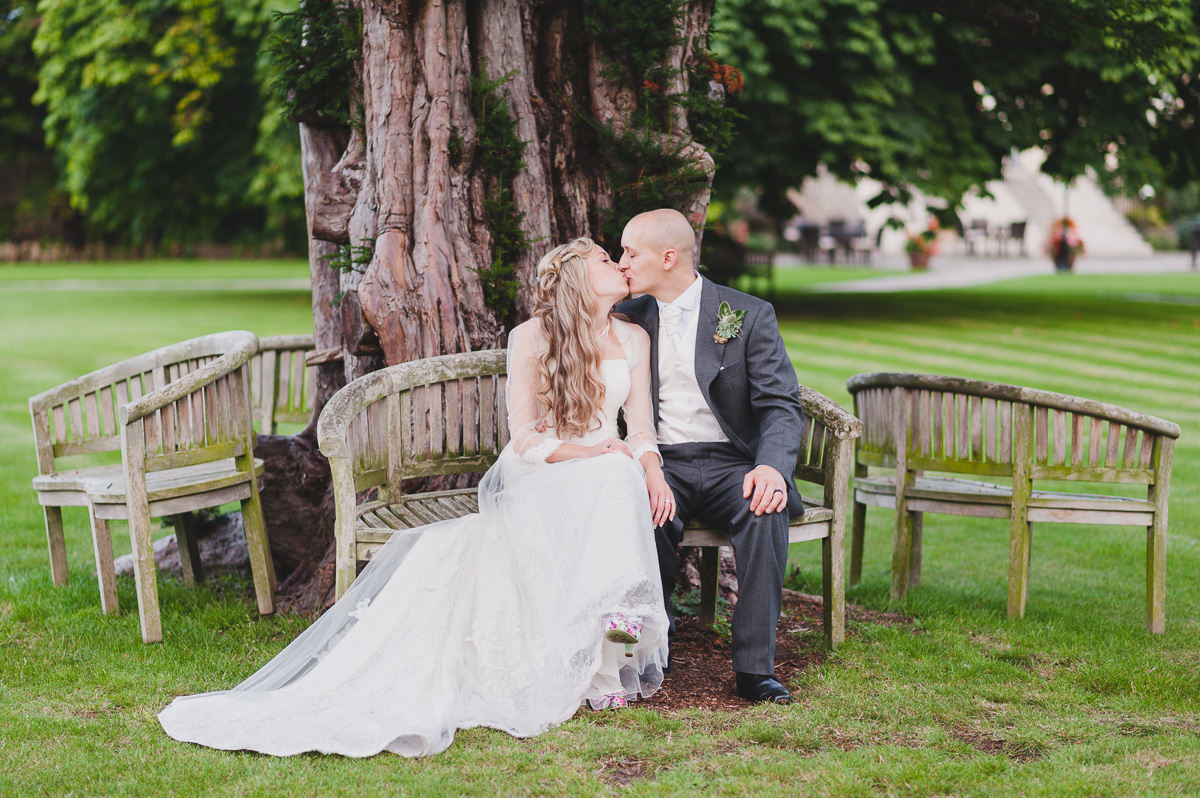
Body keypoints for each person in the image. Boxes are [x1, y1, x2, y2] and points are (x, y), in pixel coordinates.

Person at [158, 238, 671, 758]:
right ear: (577, 275)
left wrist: (652, 472)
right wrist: (588, 454)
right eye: (606, 258)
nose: (619, 264)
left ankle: (611, 656)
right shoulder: (533, 336)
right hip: (547, 466)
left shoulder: (633, 337)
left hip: (607, 468)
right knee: (613, 474)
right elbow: (523, 438)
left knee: (621, 476)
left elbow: (641, 430)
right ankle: (604, 649)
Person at [616, 209, 805, 705]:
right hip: (660, 460)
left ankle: (755, 669)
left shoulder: (747, 314)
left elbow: (781, 405)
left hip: (732, 462)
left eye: (631, 253)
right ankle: (653, 645)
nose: (622, 263)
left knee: (765, 507)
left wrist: (771, 467)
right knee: (640, 506)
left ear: (668, 257)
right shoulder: (626, 317)